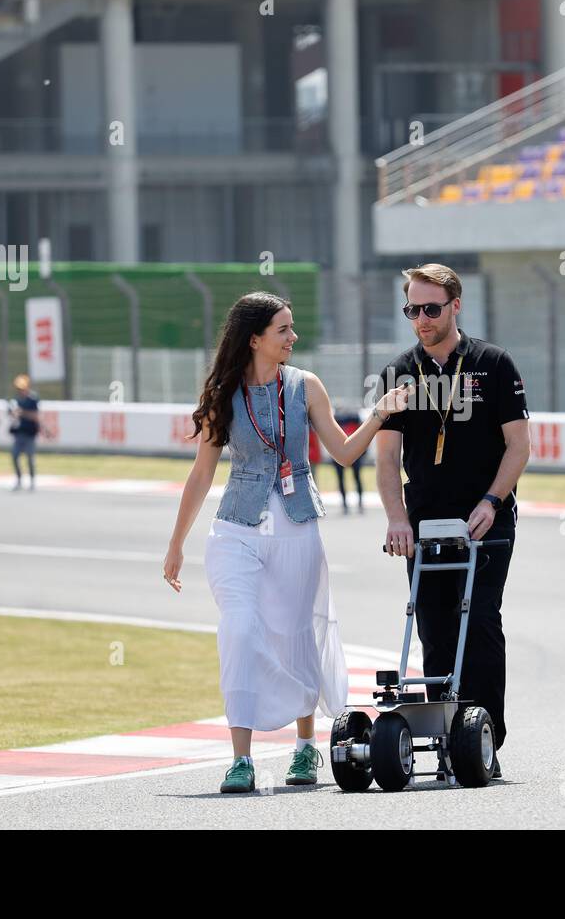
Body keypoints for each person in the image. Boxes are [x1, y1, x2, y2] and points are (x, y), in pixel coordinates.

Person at [162, 291, 409, 794]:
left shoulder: (305, 386)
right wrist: (176, 544)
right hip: (236, 528)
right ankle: (240, 759)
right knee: (241, 629)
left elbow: (342, 453)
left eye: (292, 329)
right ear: (255, 339)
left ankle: (303, 748)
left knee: (296, 631)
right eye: (283, 330)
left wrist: (379, 414)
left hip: (297, 524)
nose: (293, 338)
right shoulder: (224, 393)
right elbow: (201, 474)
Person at [375, 263, 531, 778]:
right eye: (412, 310)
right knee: (436, 630)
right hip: (424, 526)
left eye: (431, 309)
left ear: (455, 305)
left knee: (480, 621)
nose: (421, 319)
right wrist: (397, 519)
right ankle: (445, 736)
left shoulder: (494, 363)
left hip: (487, 521)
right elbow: (387, 459)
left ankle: (486, 738)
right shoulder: (399, 372)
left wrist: (491, 499)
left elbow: (518, 446)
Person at [331, 407, 365, 514]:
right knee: (351, 478)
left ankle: (356, 503)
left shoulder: (342, 419)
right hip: (345, 452)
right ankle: (347, 503)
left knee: (353, 478)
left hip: (352, 453)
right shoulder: (338, 419)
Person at [9, 374, 40, 491]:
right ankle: (18, 479)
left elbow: (35, 416)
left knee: (30, 458)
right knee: (15, 456)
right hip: (18, 433)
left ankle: (32, 481)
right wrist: (14, 414)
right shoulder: (14, 401)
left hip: (30, 433)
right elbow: (11, 415)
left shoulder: (33, 400)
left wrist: (22, 413)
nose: (20, 391)